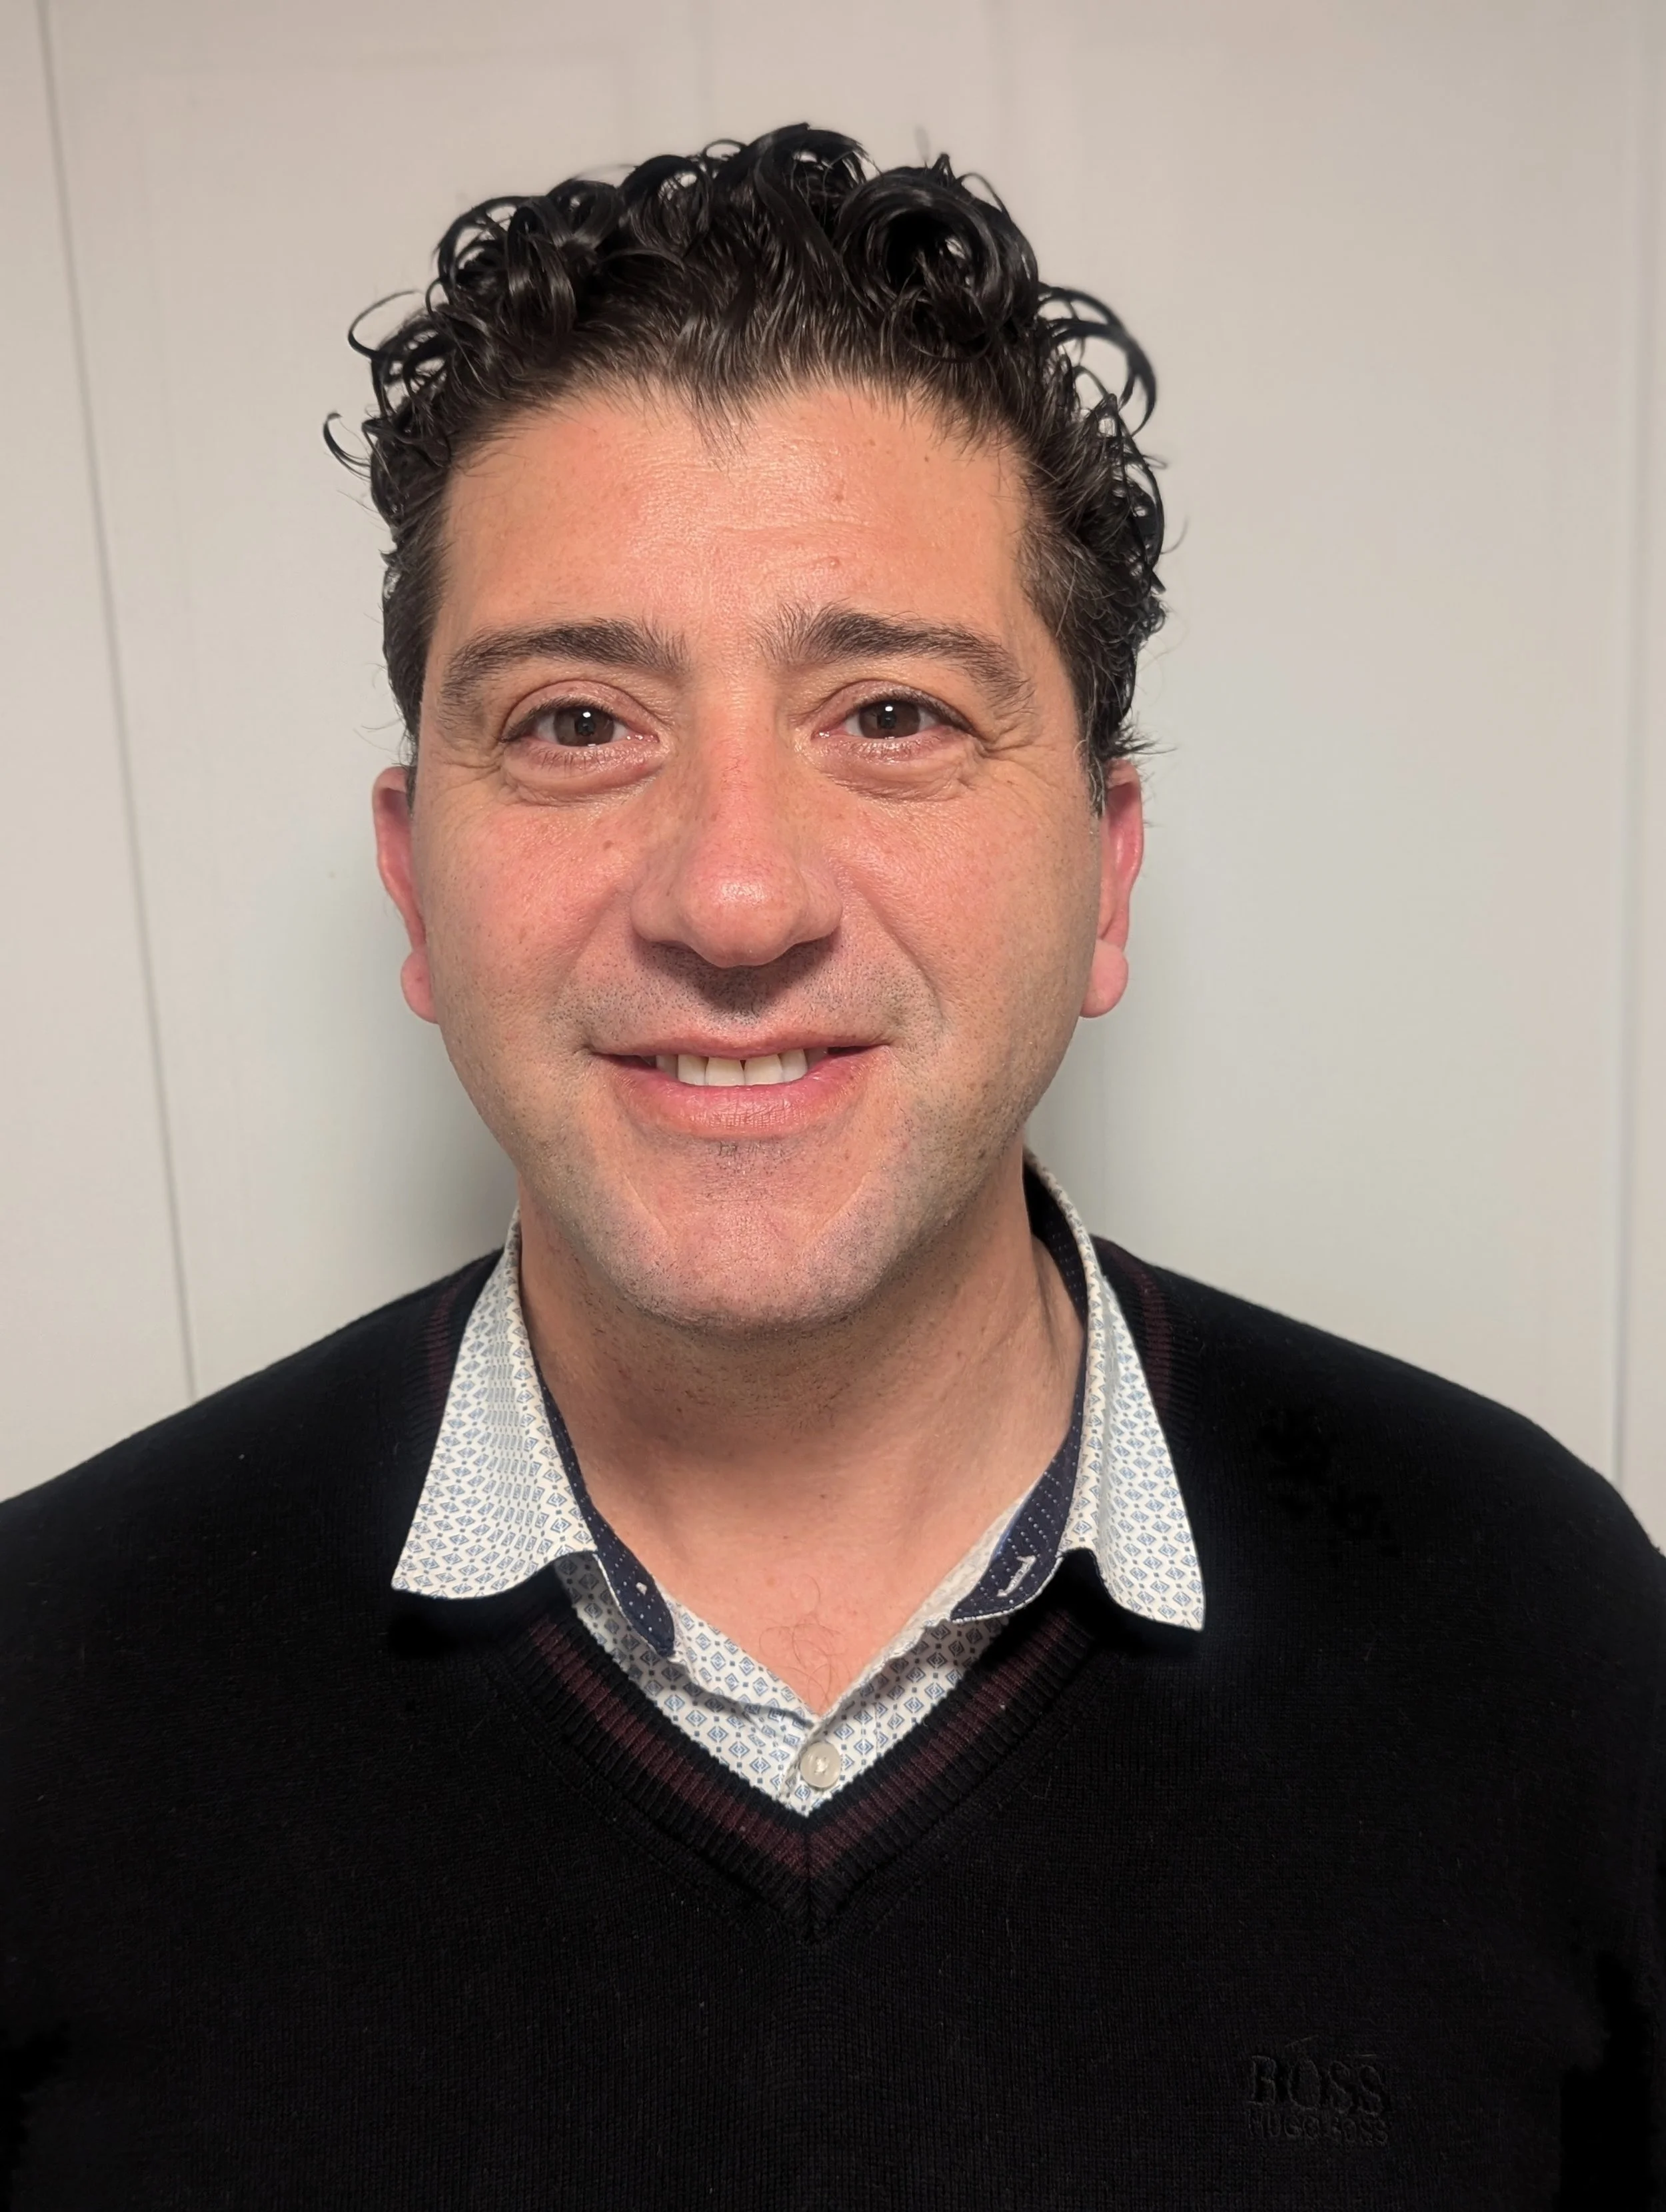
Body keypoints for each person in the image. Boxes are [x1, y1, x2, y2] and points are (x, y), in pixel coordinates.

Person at [1, 126, 1661, 2210]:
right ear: (414, 884)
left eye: (889, 714)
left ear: (1105, 876)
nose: (732, 896)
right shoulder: (44, 1696)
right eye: (576, 723)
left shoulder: (1538, 1631)